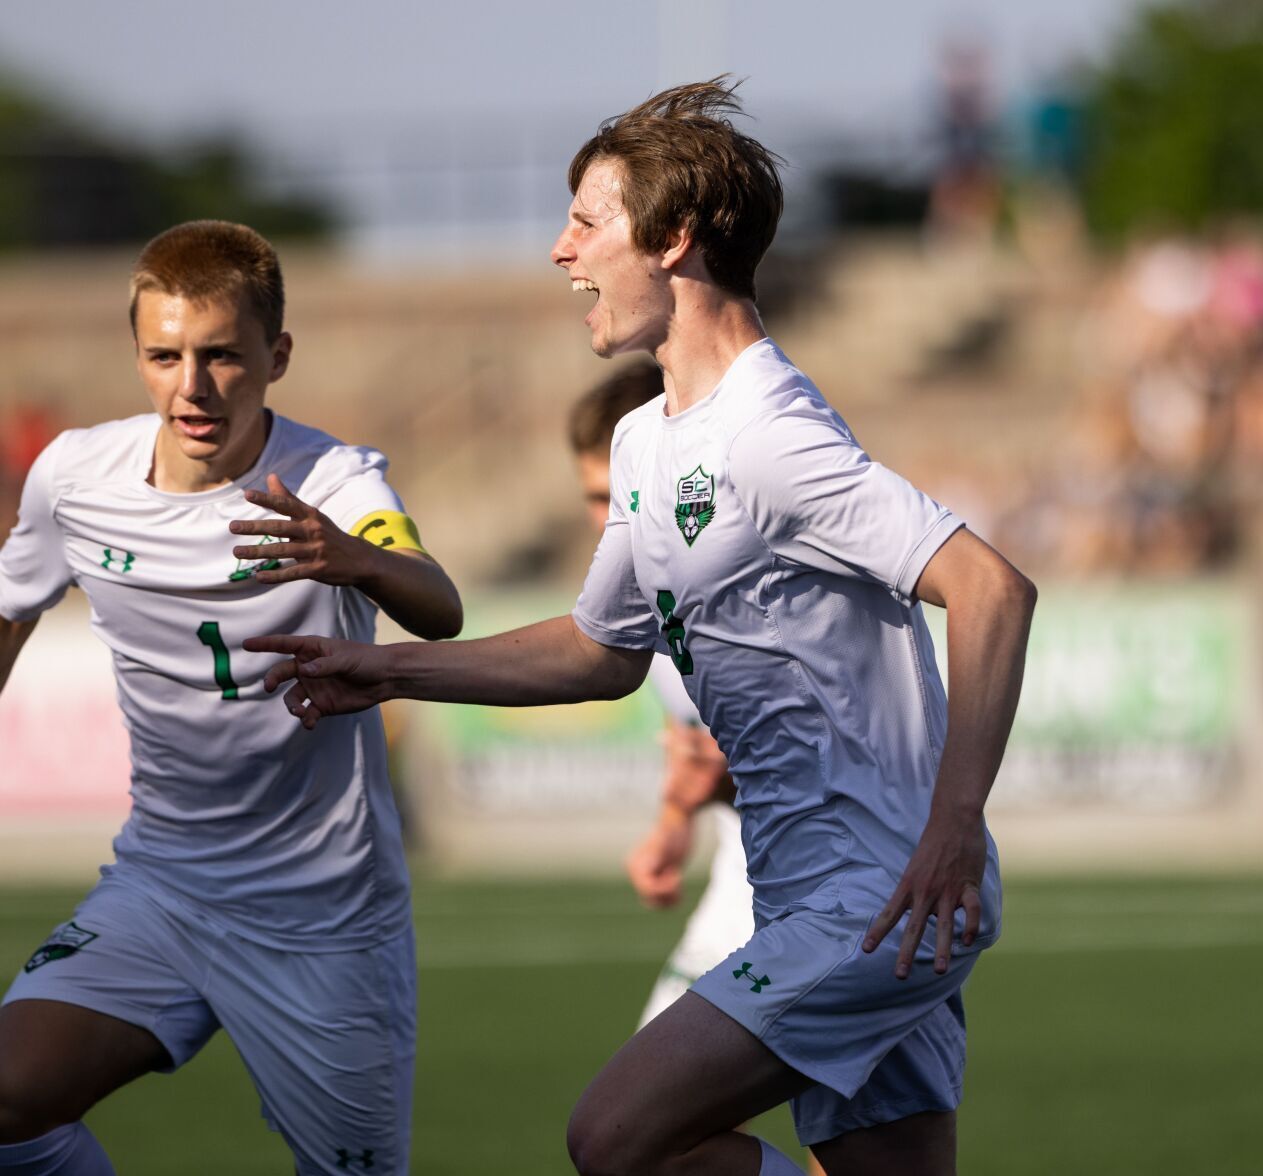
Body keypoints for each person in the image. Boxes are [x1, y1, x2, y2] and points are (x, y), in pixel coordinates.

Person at [246, 77, 1037, 1176]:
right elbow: (600, 651)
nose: (560, 251)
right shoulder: (646, 446)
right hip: (813, 896)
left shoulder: (768, 430)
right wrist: (385, 666)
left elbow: (992, 588)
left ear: (669, 240)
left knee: (617, 1141)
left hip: (881, 897)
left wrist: (954, 825)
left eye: (585, 220)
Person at [0, 220, 462, 1176]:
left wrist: (356, 557)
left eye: (221, 356)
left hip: (324, 919)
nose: (192, 387)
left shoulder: (335, 480)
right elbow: (11, 610)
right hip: (162, 890)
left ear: (276, 355)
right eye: (164, 356)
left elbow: (438, 604)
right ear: (138, 355)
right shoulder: (75, 479)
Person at [566, 363, 755, 1029]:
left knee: (636, 1128)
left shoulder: (746, 577)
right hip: (755, 868)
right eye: (593, 498)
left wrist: (395, 668)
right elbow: (706, 752)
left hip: (836, 874)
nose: (606, 518)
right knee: (639, 1130)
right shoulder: (648, 588)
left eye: (615, 493)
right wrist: (676, 824)